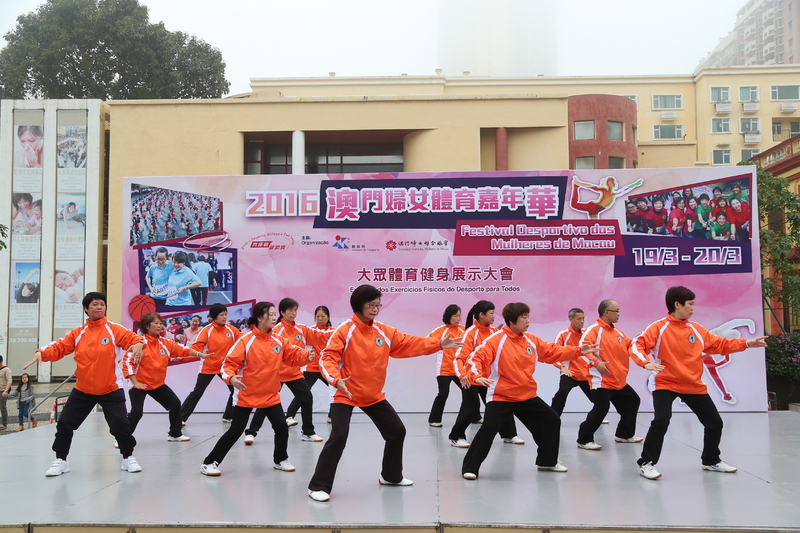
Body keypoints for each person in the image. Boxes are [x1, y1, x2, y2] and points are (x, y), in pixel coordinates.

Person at [307, 284, 462, 502]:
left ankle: (390, 476)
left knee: (396, 431)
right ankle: (318, 485)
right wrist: (335, 379)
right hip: (346, 392)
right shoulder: (344, 330)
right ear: (359, 304)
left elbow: (410, 343)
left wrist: (438, 344)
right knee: (339, 436)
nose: (375, 308)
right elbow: (327, 357)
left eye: (378, 305)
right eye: (371, 304)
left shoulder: (383, 331)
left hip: (372, 395)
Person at [633, 286, 767, 480]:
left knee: (714, 423)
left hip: (692, 384)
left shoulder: (696, 329)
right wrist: (645, 363)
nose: (693, 308)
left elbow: (719, 344)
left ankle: (711, 460)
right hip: (665, 382)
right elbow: (637, 345)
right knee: (662, 420)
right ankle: (647, 463)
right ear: (677, 305)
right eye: (690, 304)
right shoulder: (658, 328)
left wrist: (747, 343)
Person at [461, 303, 600, 479]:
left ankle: (547, 462)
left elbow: (552, 351)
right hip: (502, 396)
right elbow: (475, 358)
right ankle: (470, 468)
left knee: (552, 420)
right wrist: (475, 376)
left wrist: (578, 351)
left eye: (528, 316)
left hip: (526, 395)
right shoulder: (495, 340)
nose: (528, 320)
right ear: (512, 321)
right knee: (488, 429)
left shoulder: (531, 340)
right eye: (524, 317)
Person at [23, 292, 145, 476]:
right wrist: (41, 353)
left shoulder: (114, 329)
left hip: (111, 388)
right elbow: (59, 347)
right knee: (65, 423)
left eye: (102, 304)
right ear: (86, 309)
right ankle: (61, 460)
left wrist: (139, 344)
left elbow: (134, 338)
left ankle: (128, 458)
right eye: (95, 304)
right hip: (84, 389)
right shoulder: (78, 333)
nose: (99, 307)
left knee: (120, 425)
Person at [200, 301, 315, 476]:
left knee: (281, 427)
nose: (274, 317)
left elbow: (293, 355)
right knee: (236, 430)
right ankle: (209, 462)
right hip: (246, 394)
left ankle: (280, 460)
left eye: (275, 314)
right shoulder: (245, 341)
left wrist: (307, 355)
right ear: (260, 317)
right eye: (270, 314)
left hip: (270, 394)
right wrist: (231, 378)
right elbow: (228, 364)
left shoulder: (278, 340)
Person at [576, 299, 663, 451]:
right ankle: (584, 439)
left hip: (618, 381)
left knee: (632, 401)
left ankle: (624, 434)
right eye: (616, 311)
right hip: (601, 380)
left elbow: (630, 345)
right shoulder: (594, 330)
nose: (619, 314)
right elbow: (582, 350)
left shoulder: (618, 332)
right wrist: (596, 363)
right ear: (606, 312)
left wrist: (638, 340)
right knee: (602, 408)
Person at [245, 298, 332, 443]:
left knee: (307, 398)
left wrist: (342, 332)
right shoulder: (276, 330)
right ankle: (251, 433)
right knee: (266, 402)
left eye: (295, 310)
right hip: (277, 373)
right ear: (282, 312)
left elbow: (321, 336)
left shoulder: (301, 329)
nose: (293, 313)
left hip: (294, 373)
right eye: (290, 310)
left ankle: (308, 432)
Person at [122, 312, 206, 442]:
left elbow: (183, 349)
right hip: (139, 385)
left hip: (157, 384)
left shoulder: (164, 343)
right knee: (137, 413)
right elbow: (127, 363)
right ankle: (122, 437)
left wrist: (200, 354)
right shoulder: (139, 343)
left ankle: (174, 434)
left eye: (160, 323)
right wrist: (135, 382)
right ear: (146, 326)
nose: (159, 326)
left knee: (175, 404)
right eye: (156, 323)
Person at [449, 300, 522, 448]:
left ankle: (509, 434)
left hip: (488, 378)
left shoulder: (494, 332)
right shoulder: (470, 333)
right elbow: (459, 357)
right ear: (481, 315)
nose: (494, 316)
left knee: (501, 405)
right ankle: (457, 436)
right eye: (491, 313)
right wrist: (462, 374)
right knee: (471, 407)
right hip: (471, 377)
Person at [181, 303, 242, 424]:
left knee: (235, 390)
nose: (224, 317)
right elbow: (197, 347)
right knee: (197, 392)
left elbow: (243, 342)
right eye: (221, 315)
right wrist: (182, 356)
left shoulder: (232, 330)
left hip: (225, 368)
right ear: (214, 316)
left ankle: (228, 416)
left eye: (225, 314)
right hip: (208, 366)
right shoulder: (206, 330)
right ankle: (180, 418)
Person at [549, 308, 609, 417]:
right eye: (579, 319)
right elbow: (554, 352)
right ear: (570, 319)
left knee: (597, 398)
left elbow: (602, 342)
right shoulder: (563, 335)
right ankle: (553, 418)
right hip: (569, 373)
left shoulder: (587, 333)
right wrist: (562, 368)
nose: (582, 321)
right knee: (562, 393)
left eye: (583, 319)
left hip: (586, 373)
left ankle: (595, 417)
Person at [285, 305, 335, 427]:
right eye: (317, 316)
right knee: (303, 392)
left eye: (323, 316)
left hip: (326, 368)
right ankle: (289, 416)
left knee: (337, 389)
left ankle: (332, 415)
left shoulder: (333, 332)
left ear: (328, 317)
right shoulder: (310, 331)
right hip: (311, 368)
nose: (320, 319)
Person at [428, 304, 466, 427]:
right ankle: (434, 419)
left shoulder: (464, 330)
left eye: (459, 316)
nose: (458, 318)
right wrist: (439, 343)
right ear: (448, 316)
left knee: (469, 392)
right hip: (444, 369)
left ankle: (475, 416)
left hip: (459, 369)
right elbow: (427, 342)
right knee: (443, 393)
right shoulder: (440, 330)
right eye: (455, 315)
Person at [570, 175, 644, 219]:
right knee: (573, 205)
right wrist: (579, 183)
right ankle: (576, 187)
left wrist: (635, 184)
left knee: (594, 224)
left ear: (614, 184)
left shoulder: (614, 194)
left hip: (596, 210)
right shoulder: (604, 190)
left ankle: (576, 186)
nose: (610, 184)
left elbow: (625, 189)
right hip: (593, 207)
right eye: (609, 183)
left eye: (611, 183)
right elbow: (591, 186)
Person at [0, 356, 11, 431]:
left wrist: (6, 390)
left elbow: (9, 381)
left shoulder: (6, 369)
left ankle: (4, 424)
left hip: (3, 390)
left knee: (2, 408)